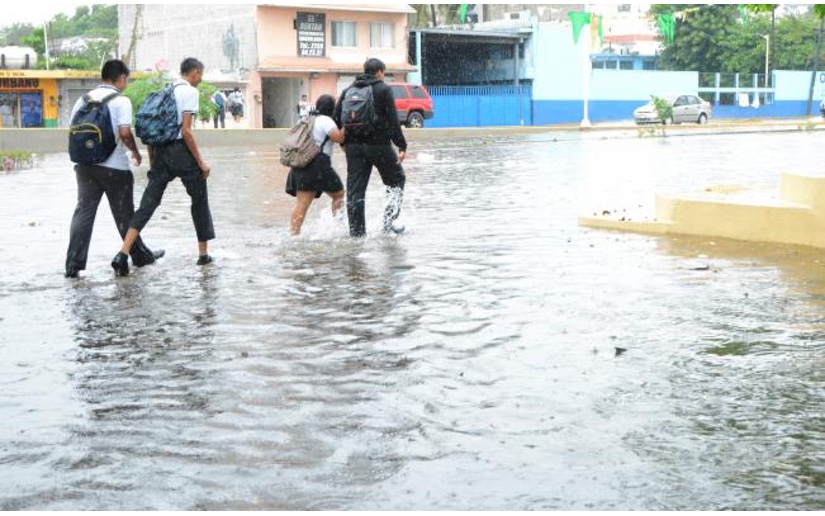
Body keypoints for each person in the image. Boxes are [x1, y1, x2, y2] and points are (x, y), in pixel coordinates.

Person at [112, 57, 215, 276]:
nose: (200, 79)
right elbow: (186, 131)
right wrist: (201, 162)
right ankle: (203, 255)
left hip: (159, 152)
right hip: (181, 152)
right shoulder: (190, 92)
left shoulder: (163, 92)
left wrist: (153, 162)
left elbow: (152, 131)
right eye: (201, 75)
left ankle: (122, 253)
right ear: (195, 73)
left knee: (147, 205)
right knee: (199, 200)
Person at [65, 59, 164, 279]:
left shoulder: (82, 100)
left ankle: (73, 266)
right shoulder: (121, 101)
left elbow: (72, 131)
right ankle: (139, 256)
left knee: (83, 213)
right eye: (126, 79)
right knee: (125, 214)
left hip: (84, 167)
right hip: (115, 168)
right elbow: (125, 132)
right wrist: (136, 153)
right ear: (121, 78)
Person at [334, 57, 407, 237]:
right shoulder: (383, 89)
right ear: (380, 72)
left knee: (355, 191)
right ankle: (389, 224)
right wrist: (401, 145)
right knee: (397, 180)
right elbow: (393, 120)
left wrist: (343, 142)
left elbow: (336, 118)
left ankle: (357, 234)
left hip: (353, 147)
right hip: (379, 145)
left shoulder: (348, 90)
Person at [285, 94, 345, 235]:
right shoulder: (326, 120)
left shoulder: (305, 119)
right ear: (332, 108)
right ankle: (337, 228)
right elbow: (339, 138)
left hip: (301, 162)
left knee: (303, 203)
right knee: (337, 195)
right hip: (317, 164)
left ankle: (293, 234)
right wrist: (347, 124)